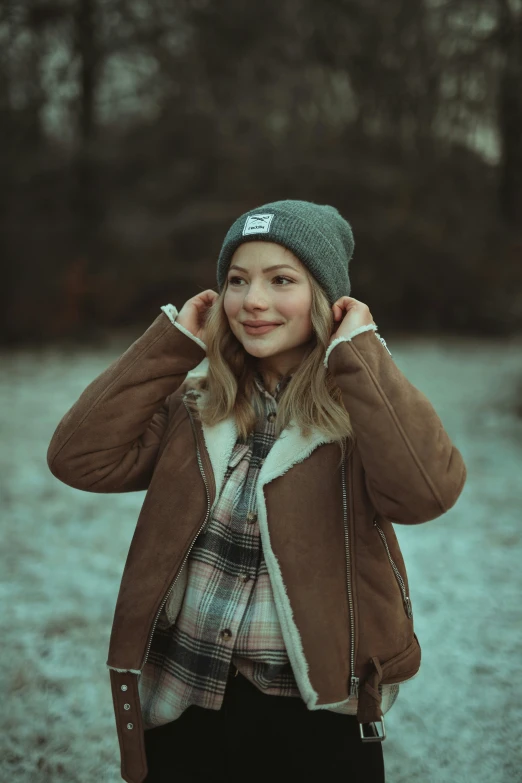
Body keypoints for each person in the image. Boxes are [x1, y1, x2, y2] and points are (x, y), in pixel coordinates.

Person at [47, 199, 467, 783]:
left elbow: (427, 493)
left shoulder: (362, 414)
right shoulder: (196, 406)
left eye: (282, 280)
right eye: (238, 280)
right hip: (185, 698)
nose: (254, 301)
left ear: (327, 300)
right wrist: (169, 347)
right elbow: (77, 458)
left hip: (312, 714)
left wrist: (359, 353)